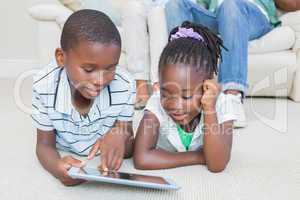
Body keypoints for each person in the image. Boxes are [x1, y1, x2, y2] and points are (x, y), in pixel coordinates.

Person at [31, 9, 135, 186]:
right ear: (61, 58)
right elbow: (44, 145)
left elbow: (129, 145)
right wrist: (57, 167)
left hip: (103, 146)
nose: (100, 80)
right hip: (64, 147)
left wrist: (119, 134)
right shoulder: (44, 87)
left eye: (110, 68)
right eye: (89, 70)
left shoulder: (124, 85)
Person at [133, 21, 237, 172]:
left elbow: (217, 164)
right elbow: (142, 159)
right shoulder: (156, 103)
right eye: (165, 94)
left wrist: (209, 109)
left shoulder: (222, 104)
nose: (175, 105)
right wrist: (197, 157)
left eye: (186, 96)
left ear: (207, 86)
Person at [164, 0, 282, 128]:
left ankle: (232, 96)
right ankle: (184, 90)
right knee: (175, 4)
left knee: (230, 4)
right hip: (219, 16)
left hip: (253, 16)